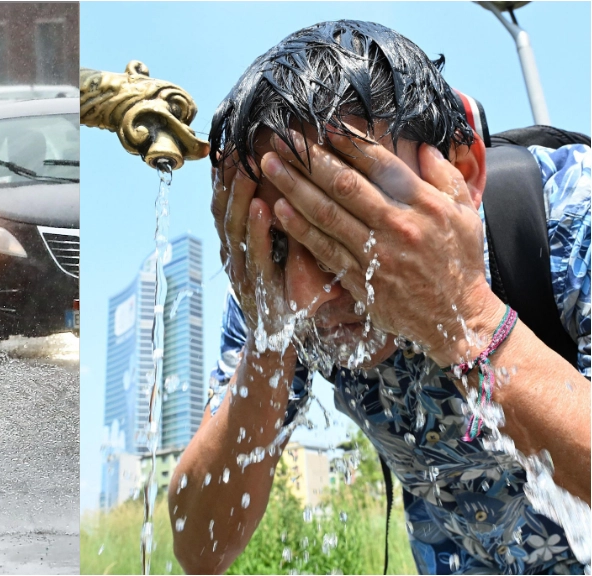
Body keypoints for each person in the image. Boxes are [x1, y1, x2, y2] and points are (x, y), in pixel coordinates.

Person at [170, 20, 590, 575]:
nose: (307, 293)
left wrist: (464, 316)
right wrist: (270, 344)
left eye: (346, 229)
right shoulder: (274, 297)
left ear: (461, 173)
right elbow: (200, 549)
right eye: (279, 243)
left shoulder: (571, 217)